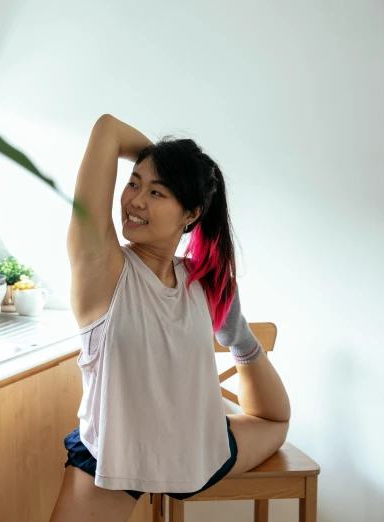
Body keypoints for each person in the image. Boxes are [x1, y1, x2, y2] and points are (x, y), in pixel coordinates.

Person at [50, 115, 292, 522]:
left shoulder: (200, 280)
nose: (135, 200)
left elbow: (273, 417)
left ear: (191, 214)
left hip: (196, 451)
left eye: (157, 191)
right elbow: (108, 129)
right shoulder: (102, 266)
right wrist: (165, 161)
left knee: (275, 423)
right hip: (118, 458)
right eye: (134, 183)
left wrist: (237, 336)